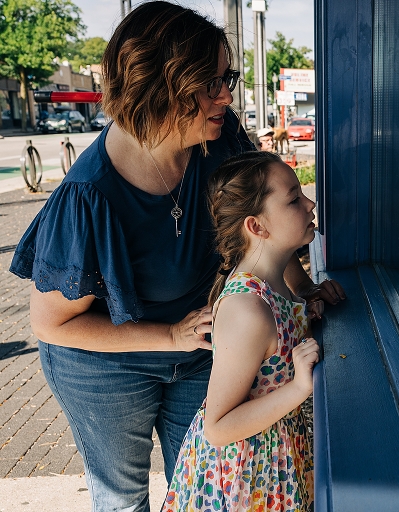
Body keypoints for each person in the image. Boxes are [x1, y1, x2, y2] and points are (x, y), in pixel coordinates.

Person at [8, 3, 344, 510]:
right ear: (161, 88)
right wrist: (168, 334)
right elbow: (53, 324)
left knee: (195, 483)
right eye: (210, 83)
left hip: (195, 348)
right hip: (105, 367)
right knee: (124, 499)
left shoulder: (220, 133)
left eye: (225, 78)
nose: (226, 95)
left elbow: (262, 230)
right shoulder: (88, 196)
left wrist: (303, 291)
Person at [163, 152, 318, 511]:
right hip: (246, 481)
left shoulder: (274, 283)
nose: (310, 203)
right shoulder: (248, 309)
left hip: (272, 464)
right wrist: (297, 388)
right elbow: (217, 427)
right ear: (257, 226)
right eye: (294, 199)